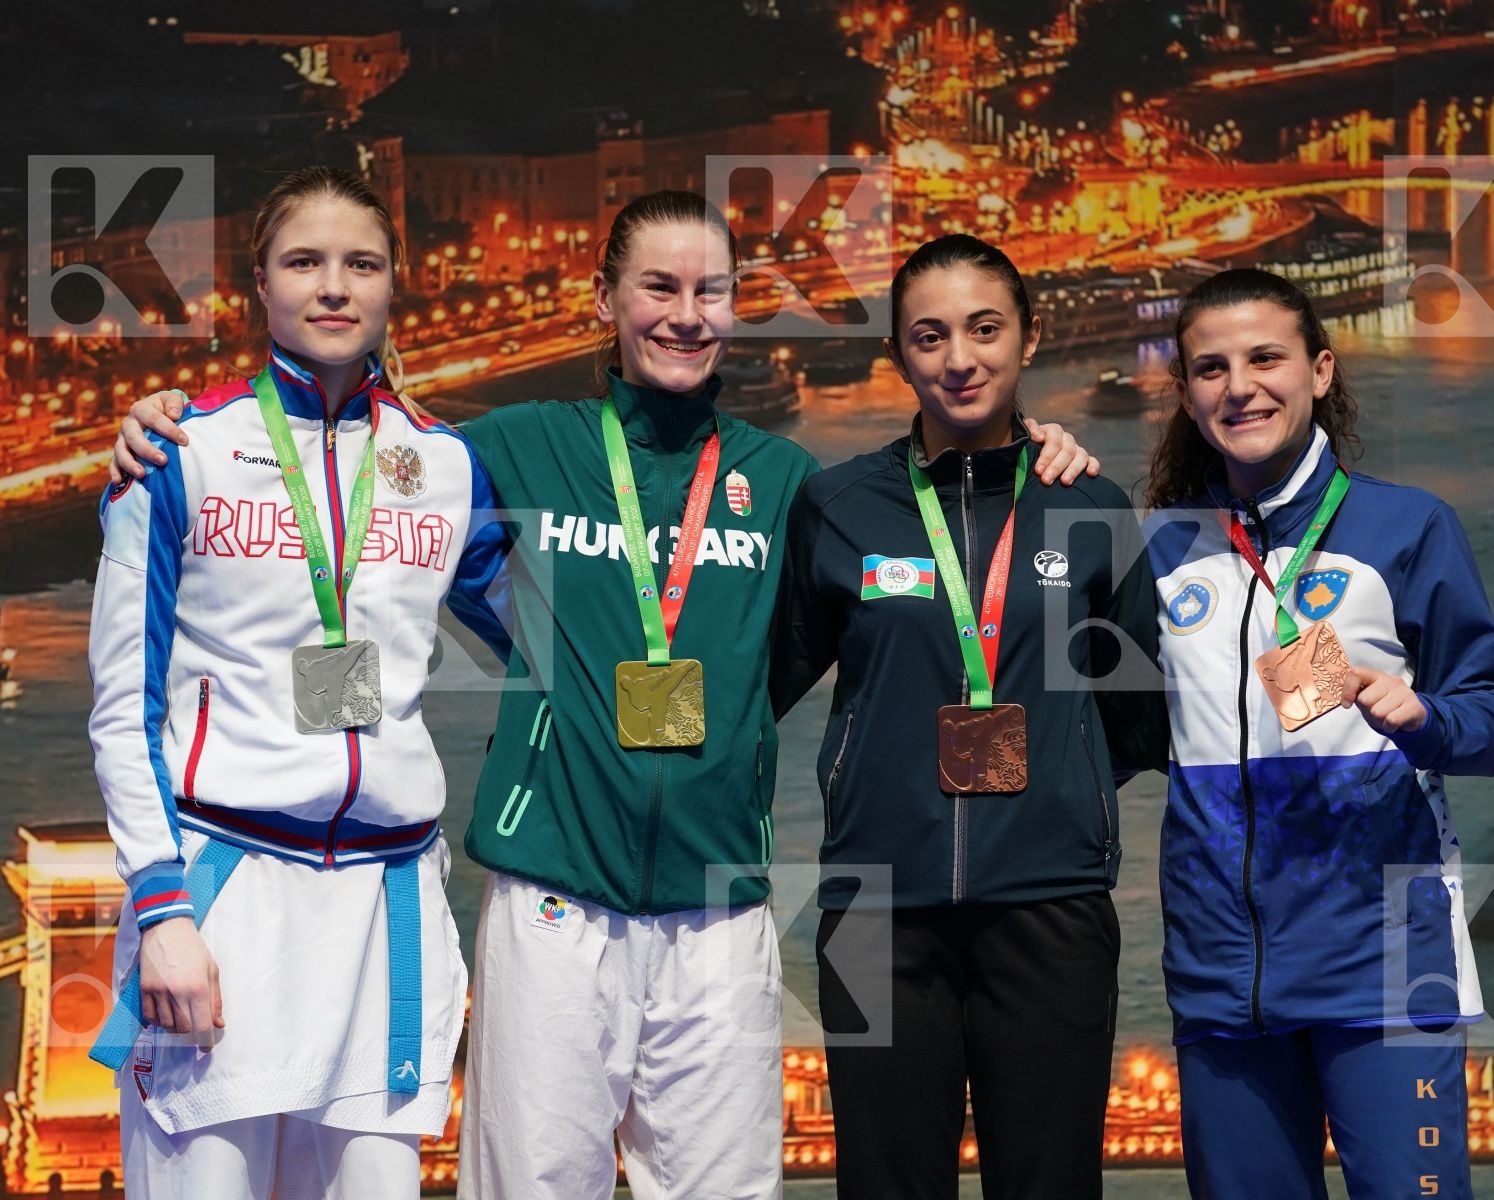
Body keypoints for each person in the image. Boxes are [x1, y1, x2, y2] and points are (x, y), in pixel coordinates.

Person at [111, 192, 1098, 1200]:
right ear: (605, 300)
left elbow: (907, 558)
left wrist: (1037, 451)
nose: (683, 313)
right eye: (656, 287)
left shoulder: (792, 481)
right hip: (553, 894)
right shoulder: (508, 447)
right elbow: (360, 464)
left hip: (718, 901)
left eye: (707, 290)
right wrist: (171, 423)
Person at [88, 166, 513, 1199]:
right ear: (259, 290)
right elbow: (121, 710)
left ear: (392, 286)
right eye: (304, 262)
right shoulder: (181, 454)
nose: (334, 287)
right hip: (222, 899)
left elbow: (561, 642)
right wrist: (163, 908)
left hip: (387, 909)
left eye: (360, 264)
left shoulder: (445, 464)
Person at [768, 234, 1169, 1200]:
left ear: (1028, 339)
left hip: (1050, 909)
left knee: (1049, 1184)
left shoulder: (1091, 505)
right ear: (899, 356)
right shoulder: (838, 507)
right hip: (871, 913)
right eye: (930, 336)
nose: (961, 358)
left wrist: (1054, 793)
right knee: (883, 1184)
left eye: (986, 329)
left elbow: (1141, 712)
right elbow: (764, 683)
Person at [1142, 267, 1494, 1199]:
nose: (1240, 386)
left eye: (1266, 358)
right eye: (1211, 368)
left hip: (1384, 972)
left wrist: (1423, 716)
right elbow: (1115, 730)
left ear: (1320, 370)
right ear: (1188, 398)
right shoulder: (1156, 551)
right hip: (1221, 980)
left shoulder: (1406, 526)